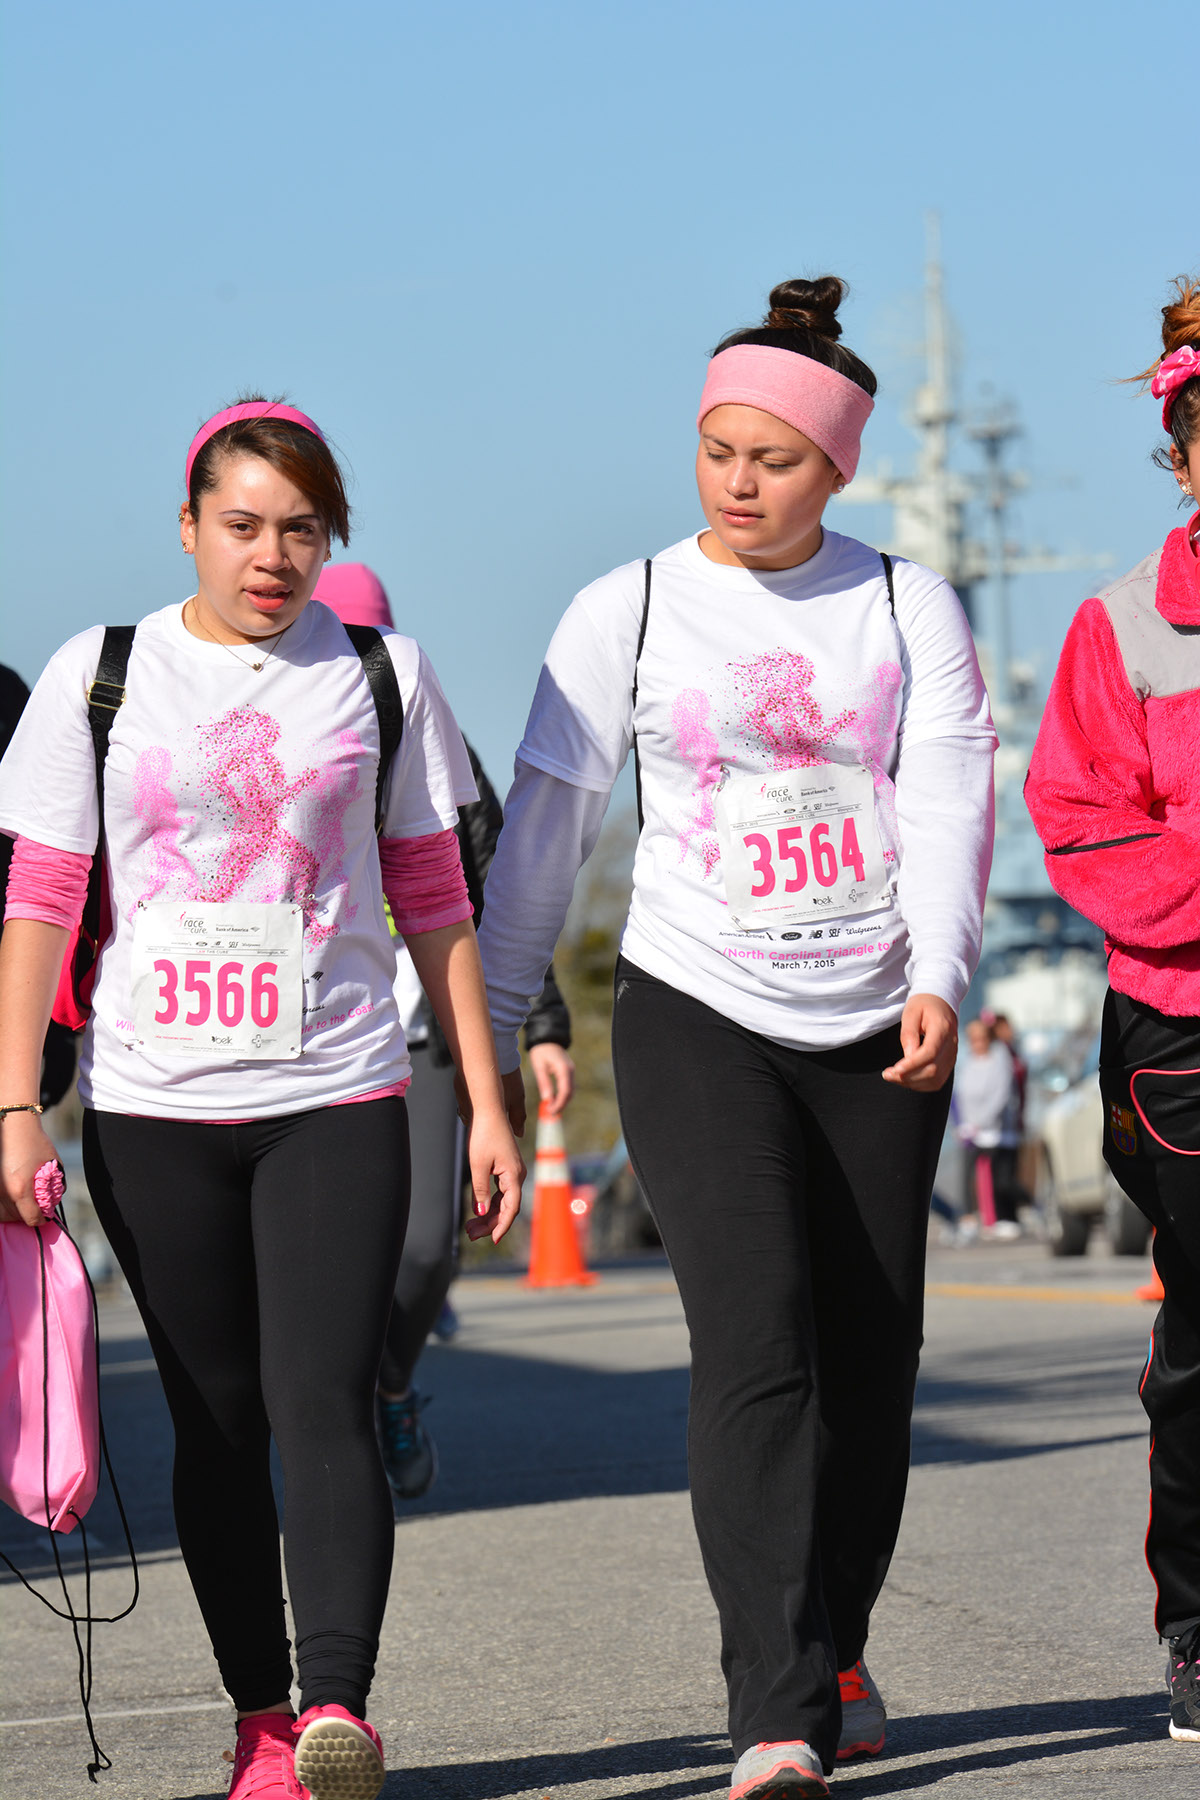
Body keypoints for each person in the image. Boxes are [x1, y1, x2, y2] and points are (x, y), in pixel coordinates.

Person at [476, 278, 997, 1795]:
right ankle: (775, 1702)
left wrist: (947, 974)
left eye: (776, 458)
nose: (742, 483)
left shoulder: (909, 607)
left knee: (872, 1356)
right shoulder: (623, 609)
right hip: (697, 1003)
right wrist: (510, 1020)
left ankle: (832, 1636)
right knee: (757, 1347)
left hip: (878, 1020)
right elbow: (547, 839)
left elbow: (954, 804)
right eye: (720, 451)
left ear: (839, 467)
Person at [0, 399, 524, 1800]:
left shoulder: (378, 673)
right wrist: (12, 1109)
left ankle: (340, 1703)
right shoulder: (98, 678)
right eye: (243, 526)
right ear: (189, 528)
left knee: (322, 1400)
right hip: (151, 1101)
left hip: (336, 1085)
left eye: (302, 529)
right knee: (216, 1415)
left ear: (331, 535)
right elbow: (41, 898)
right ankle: (262, 1723)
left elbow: (431, 890)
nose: (271, 556)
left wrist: (482, 1099)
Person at [1025, 276, 1200, 1744]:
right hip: (1186, 1030)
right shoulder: (1126, 625)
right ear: (1184, 450)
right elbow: (1083, 821)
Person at [313, 562, 574, 1499]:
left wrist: (539, 1025)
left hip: (418, 1034)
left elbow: (499, 896)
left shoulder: (433, 737)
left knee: (427, 1247)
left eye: (365, 643)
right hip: (298, 1037)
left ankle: (389, 1384)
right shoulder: (262, 726)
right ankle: (323, 1417)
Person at [954, 1016, 1022, 1239]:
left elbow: (1000, 1095)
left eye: (981, 1038)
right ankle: (968, 1218)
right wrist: (964, 1124)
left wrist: (980, 1122)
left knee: (998, 1178)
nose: (977, 1043)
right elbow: (961, 1095)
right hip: (971, 1131)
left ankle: (1002, 1217)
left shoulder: (999, 1060)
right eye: (973, 1039)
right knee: (966, 1176)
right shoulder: (968, 1062)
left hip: (994, 1130)